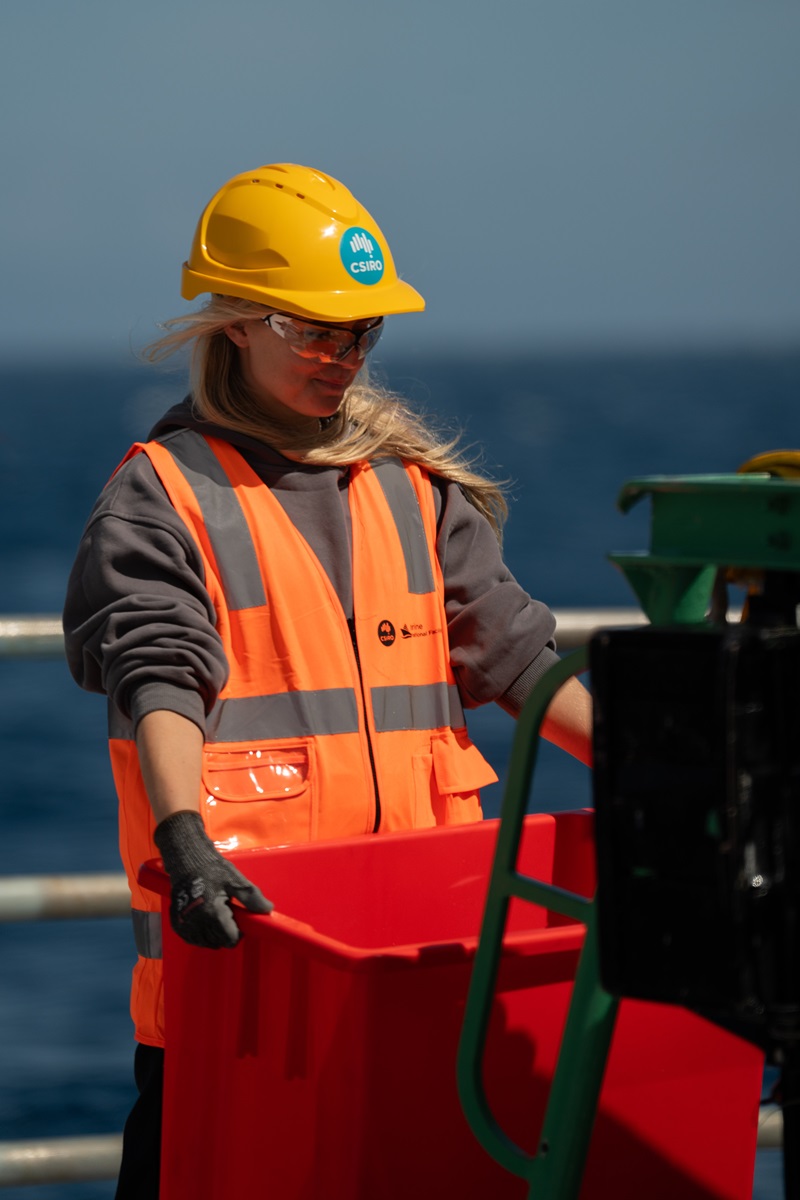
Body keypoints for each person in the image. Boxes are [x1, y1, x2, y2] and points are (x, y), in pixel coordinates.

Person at [63, 162, 592, 1198]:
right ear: (235, 325)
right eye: (312, 330)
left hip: (416, 975)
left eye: (358, 334)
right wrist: (185, 840)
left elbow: (524, 669)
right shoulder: (158, 497)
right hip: (249, 980)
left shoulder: (412, 494)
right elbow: (159, 679)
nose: (340, 358)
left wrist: (674, 781)